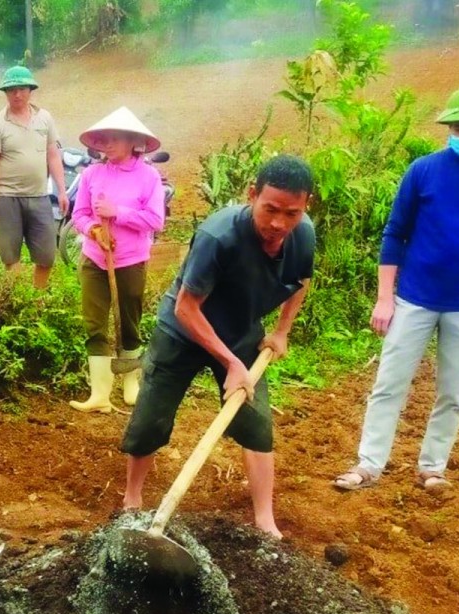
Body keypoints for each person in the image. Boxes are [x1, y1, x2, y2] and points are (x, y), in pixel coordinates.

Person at [334, 85, 459, 493]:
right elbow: (395, 234)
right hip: (414, 298)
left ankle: (432, 468)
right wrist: (385, 297)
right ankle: (369, 465)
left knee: (452, 392)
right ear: (449, 127)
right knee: (389, 383)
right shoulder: (423, 170)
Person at [121, 155, 316, 538]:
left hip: (241, 332)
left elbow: (301, 280)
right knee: (151, 417)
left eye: (291, 213)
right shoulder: (219, 235)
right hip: (182, 331)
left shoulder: (303, 234)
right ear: (252, 195)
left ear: (305, 205)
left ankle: (264, 519)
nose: (279, 223)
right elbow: (186, 307)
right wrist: (231, 364)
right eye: (270, 209)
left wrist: (281, 331)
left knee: (256, 425)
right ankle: (132, 499)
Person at [68, 107, 167, 413]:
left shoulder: (148, 176)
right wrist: (95, 230)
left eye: (114, 139)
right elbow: (79, 215)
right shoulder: (91, 174)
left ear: (132, 142)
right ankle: (100, 394)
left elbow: (155, 220)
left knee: (128, 322)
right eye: (104, 139)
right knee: (95, 324)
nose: (106, 144)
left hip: (130, 261)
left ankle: (131, 386)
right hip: (95, 259)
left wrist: (117, 213)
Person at [0, 65, 68, 289]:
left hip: (39, 196)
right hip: (8, 197)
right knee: (10, 255)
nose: (17, 94)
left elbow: (53, 156)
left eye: (21, 89)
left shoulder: (45, 119)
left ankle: (37, 299)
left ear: (30, 90)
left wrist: (61, 190)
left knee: (47, 255)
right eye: (11, 90)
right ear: (5, 93)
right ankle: (17, 300)